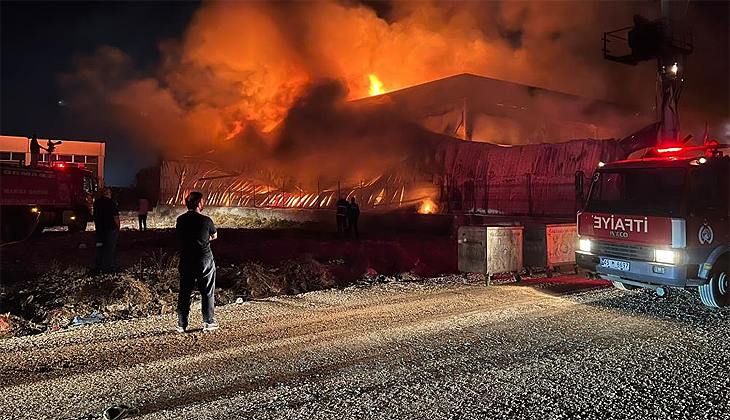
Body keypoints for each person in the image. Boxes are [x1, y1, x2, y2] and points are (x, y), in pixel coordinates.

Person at [176, 192, 219, 333]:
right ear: (199, 204)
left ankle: (181, 325)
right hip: (204, 259)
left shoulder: (180, 220)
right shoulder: (206, 221)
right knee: (207, 291)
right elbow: (214, 235)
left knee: (184, 292)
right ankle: (208, 322)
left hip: (186, 259)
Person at [93, 187, 120, 274]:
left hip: (100, 230)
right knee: (109, 249)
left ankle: (98, 267)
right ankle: (106, 268)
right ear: (108, 193)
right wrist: (118, 228)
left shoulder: (96, 203)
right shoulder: (111, 203)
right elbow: (115, 217)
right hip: (110, 229)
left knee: (100, 248)